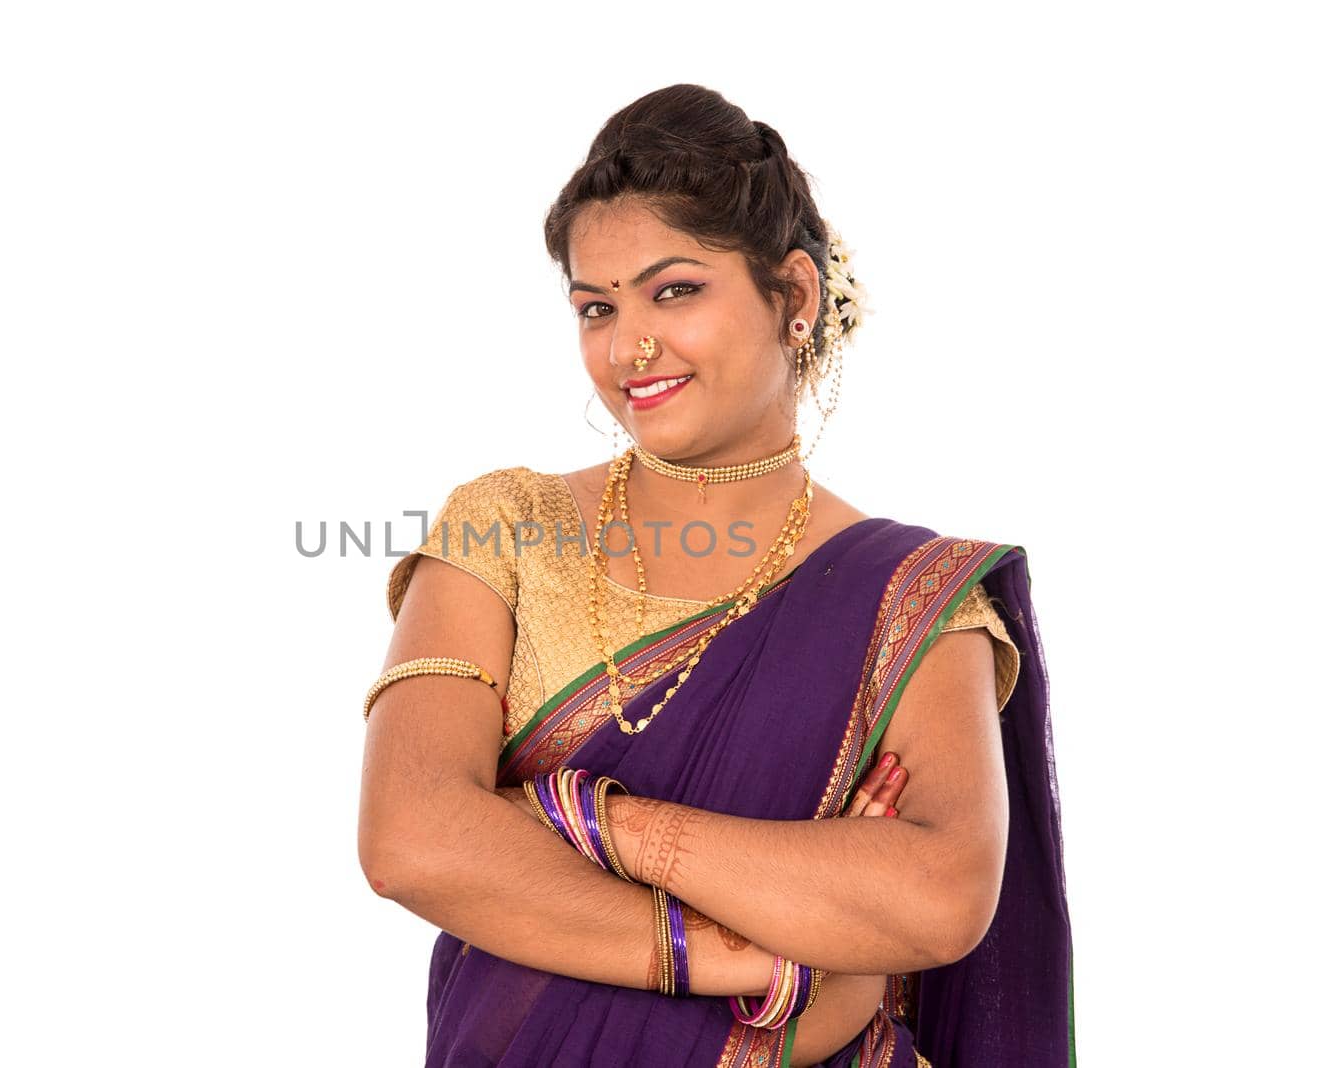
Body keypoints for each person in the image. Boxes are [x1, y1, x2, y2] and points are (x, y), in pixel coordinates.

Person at [357, 83, 1074, 1067]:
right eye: (595, 306)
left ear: (796, 296)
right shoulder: (502, 529)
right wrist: (749, 949)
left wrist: (578, 819)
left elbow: (939, 899)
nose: (628, 346)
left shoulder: (911, 597)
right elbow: (411, 839)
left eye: (675, 290)